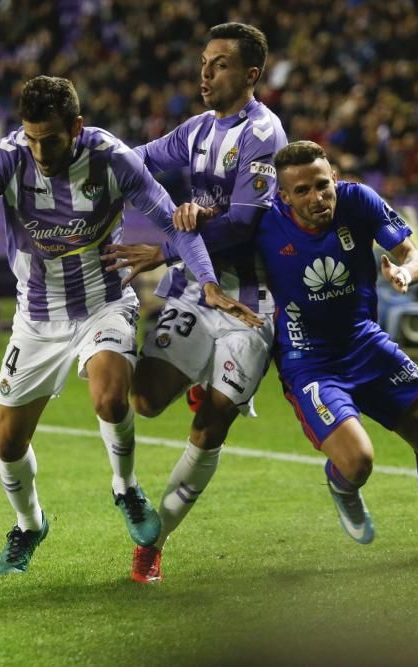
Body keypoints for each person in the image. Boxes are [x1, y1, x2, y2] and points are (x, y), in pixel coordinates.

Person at [0, 75, 258, 575]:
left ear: (77, 127)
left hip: (103, 303)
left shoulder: (111, 158)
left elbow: (174, 220)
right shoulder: (6, 156)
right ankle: (29, 525)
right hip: (36, 317)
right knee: (8, 442)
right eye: (32, 137)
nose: (40, 150)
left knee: (111, 397)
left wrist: (208, 280)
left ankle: (126, 489)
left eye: (52, 138)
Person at [100, 22, 287, 584]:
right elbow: (131, 163)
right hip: (192, 287)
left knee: (210, 429)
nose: (206, 74)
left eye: (220, 64)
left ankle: (154, 541)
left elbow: (242, 223)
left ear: (250, 75)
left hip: (248, 301)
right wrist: (76, 166)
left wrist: (165, 246)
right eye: (204, 62)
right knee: (145, 398)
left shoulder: (264, 135)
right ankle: (197, 378)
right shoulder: (197, 130)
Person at [256, 140, 418, 561]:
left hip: (365, 342)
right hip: (308, 360)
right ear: (283, 196)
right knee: (358, 461)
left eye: (322, 185)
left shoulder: (359, 201)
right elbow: (205, 241)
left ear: (334, 178)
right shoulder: (261, 225)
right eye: (302, 191)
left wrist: (405, 271)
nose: (317, 198)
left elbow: (413, 254)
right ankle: (341, 483)